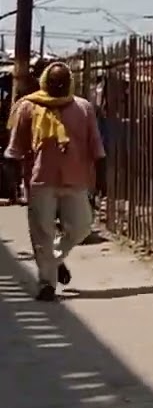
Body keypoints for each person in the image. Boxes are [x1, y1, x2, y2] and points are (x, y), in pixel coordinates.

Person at [5, 62, 106, 301]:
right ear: (45, 83)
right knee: (42, 234)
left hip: (76, 178)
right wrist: (13, 182)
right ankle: (46, 284)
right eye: (53, 83)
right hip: (40, 179)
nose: (57, 86)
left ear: (69, 83)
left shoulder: (84, 108)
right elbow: (15, 148)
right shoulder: (28, 107)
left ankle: (54, 259)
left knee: (81, 227)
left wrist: (102, 178)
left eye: (62, 82)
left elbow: (96, 146)